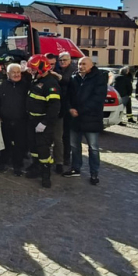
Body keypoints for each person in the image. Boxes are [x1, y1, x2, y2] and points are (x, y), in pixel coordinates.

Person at [65, 57, 107, 185]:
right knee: (74, 146)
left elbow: (97, 99)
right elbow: (68, 95)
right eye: (79, 64)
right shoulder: (74, 77)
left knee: (93, 148)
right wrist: (70, 108)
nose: (81, 66)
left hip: (91, 118)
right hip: (75, 119)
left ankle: (94, 173)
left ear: (91, 65)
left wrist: (80, 111)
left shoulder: (99, 78)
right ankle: (75, 168)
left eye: (84, 64)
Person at [25, 54, 61, 189]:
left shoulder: (50, 83)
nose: (31, 71)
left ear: (41, 68)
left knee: (43, 150)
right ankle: (36, 167)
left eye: (33, 68)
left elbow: (54, 107)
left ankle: (46, 176)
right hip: (32, 120)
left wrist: (44, 123)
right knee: (33, 147)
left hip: (42, 122)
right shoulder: (37, 79)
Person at [0, 63, 29, 175]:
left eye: (18, 72)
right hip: (5, 121)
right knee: (5, 144)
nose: (16, 74)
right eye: (13, 72)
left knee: (20, 145)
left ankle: (18, 166)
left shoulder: (26, 86)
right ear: (8, 73)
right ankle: (2, 163)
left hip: (21, 121)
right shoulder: (1, 85)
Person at [49, 52, 74, 174]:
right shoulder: (58, 70)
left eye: (65, 60)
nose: (62, 62)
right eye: (61, 60)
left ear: (70, 60)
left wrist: (58, 76)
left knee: (63, 136)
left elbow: (69, 83)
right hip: (54, 109)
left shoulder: (72, 71)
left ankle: (63, 160)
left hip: (64, 108)